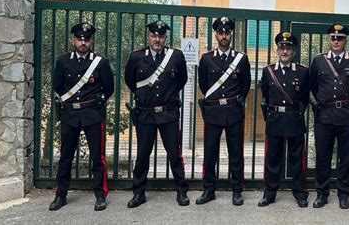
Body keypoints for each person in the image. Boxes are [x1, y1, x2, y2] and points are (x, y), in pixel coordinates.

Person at [49, 22, 114, 211]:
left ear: (91, 41)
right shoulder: (63, 61)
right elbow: (58, 85)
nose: (82, 43)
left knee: (97, 158)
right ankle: (60, 195)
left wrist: (96, 101)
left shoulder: (100, 62)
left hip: (92, 114)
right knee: (65, 157)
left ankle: (100, 195)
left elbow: (108, 87)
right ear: (74, 40)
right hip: (70, 114)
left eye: (86, 40)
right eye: (79, 39)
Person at [124, 20, 189, 208]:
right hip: (145, 114)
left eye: (160, 36)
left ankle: (181, 191)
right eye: (154, 36)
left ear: (165, 38)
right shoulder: (136, 57)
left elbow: (181, 80)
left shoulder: (176, 56)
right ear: (149, 37)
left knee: (174, 154)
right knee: (143, 155)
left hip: (168, 113)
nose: (157, 40)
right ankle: (138, 193)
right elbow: (131, 81)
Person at [310, 23, 349, 209]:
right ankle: (322, 193)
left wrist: (348, 103)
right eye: (333, 38)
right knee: (323, 157)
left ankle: (344, 193)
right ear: (329, 40)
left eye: (339, 38)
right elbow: (313, 86)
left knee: (345, 157)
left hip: (347, 116)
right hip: (324, 116)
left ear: (345, 40)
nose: (336, 41)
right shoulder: (319, 61)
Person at [196, 17, 251, 206]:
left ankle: (237, 190)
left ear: (231, 34)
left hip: (234, 111)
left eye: (227, 33)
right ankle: (209, 190)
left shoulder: (241, 59)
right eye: (221, 33)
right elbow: (203, 85)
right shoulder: (206, 59)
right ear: (216, 35)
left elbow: (245, 86)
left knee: (236, 153)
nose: (224, 36)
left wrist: (233, 100)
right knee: (210, 153)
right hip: (213, 112)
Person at [258, 31, 310, 208]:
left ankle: (300, 193)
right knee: (272, 159)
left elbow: (304, 97)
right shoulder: (268, 71)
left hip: (294, 119)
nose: (285, 51)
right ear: (277, 50)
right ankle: (269, 194)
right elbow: (265, 94)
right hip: (275, 119)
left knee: (297, 160)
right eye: (282, 48)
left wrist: (297, 112)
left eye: (288, 48)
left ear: (293, 51)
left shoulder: (303, 72)